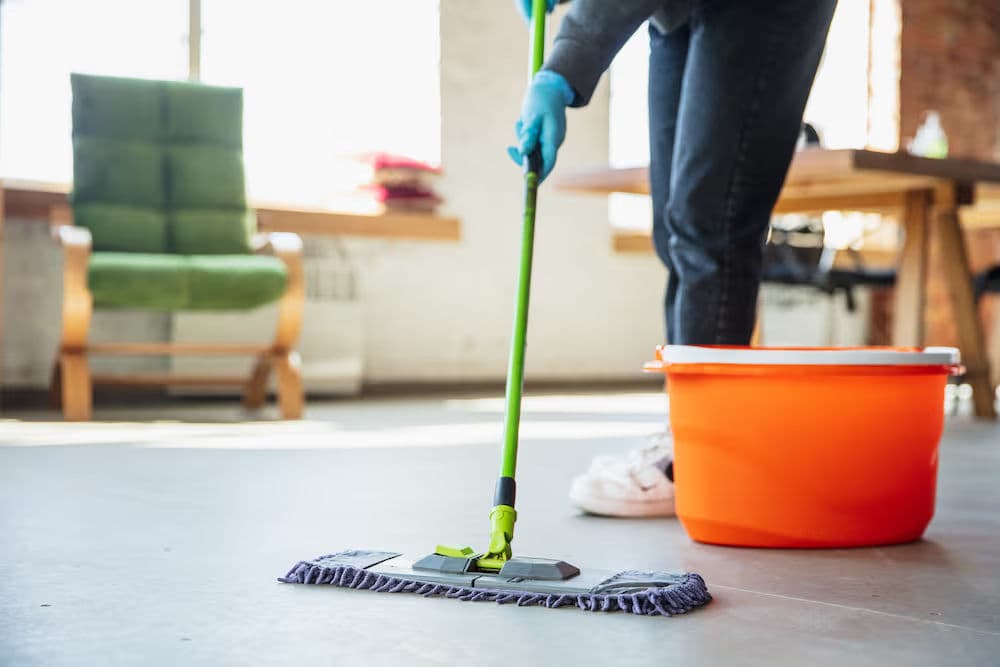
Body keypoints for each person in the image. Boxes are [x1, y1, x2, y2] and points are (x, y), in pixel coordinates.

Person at [509, 0, 837, 517]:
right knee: (673, 224)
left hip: (762, 12)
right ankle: (687, 427)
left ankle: (704, 452)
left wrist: (561, 70)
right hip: (678, 13)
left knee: (711, 221)